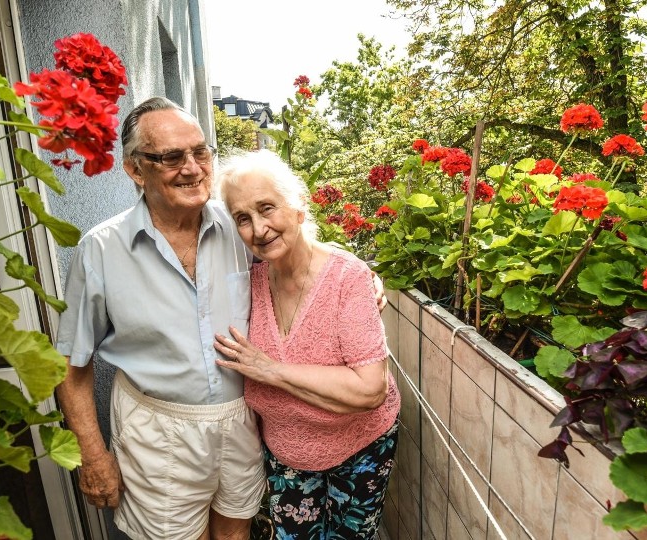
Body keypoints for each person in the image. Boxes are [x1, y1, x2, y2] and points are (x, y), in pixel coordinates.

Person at [55, 97, 265, 540]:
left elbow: (295, 252)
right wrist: (93, 455)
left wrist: (356, 280)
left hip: (241, 418)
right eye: (171, 157)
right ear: (135, 169)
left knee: (235, 532)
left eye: (200, 152)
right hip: (158, 432)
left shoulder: (238, 226)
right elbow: (71, 365)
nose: (192, 168)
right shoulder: (102, 249)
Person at [213, 150, 401, 540]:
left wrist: (270, 370)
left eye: (267, 208)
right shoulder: (248, 278)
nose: (259, 229)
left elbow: (370, 388)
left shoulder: (348, 279)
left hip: (360, 447)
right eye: (243, 218)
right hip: (285, 455)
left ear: (299, 207)